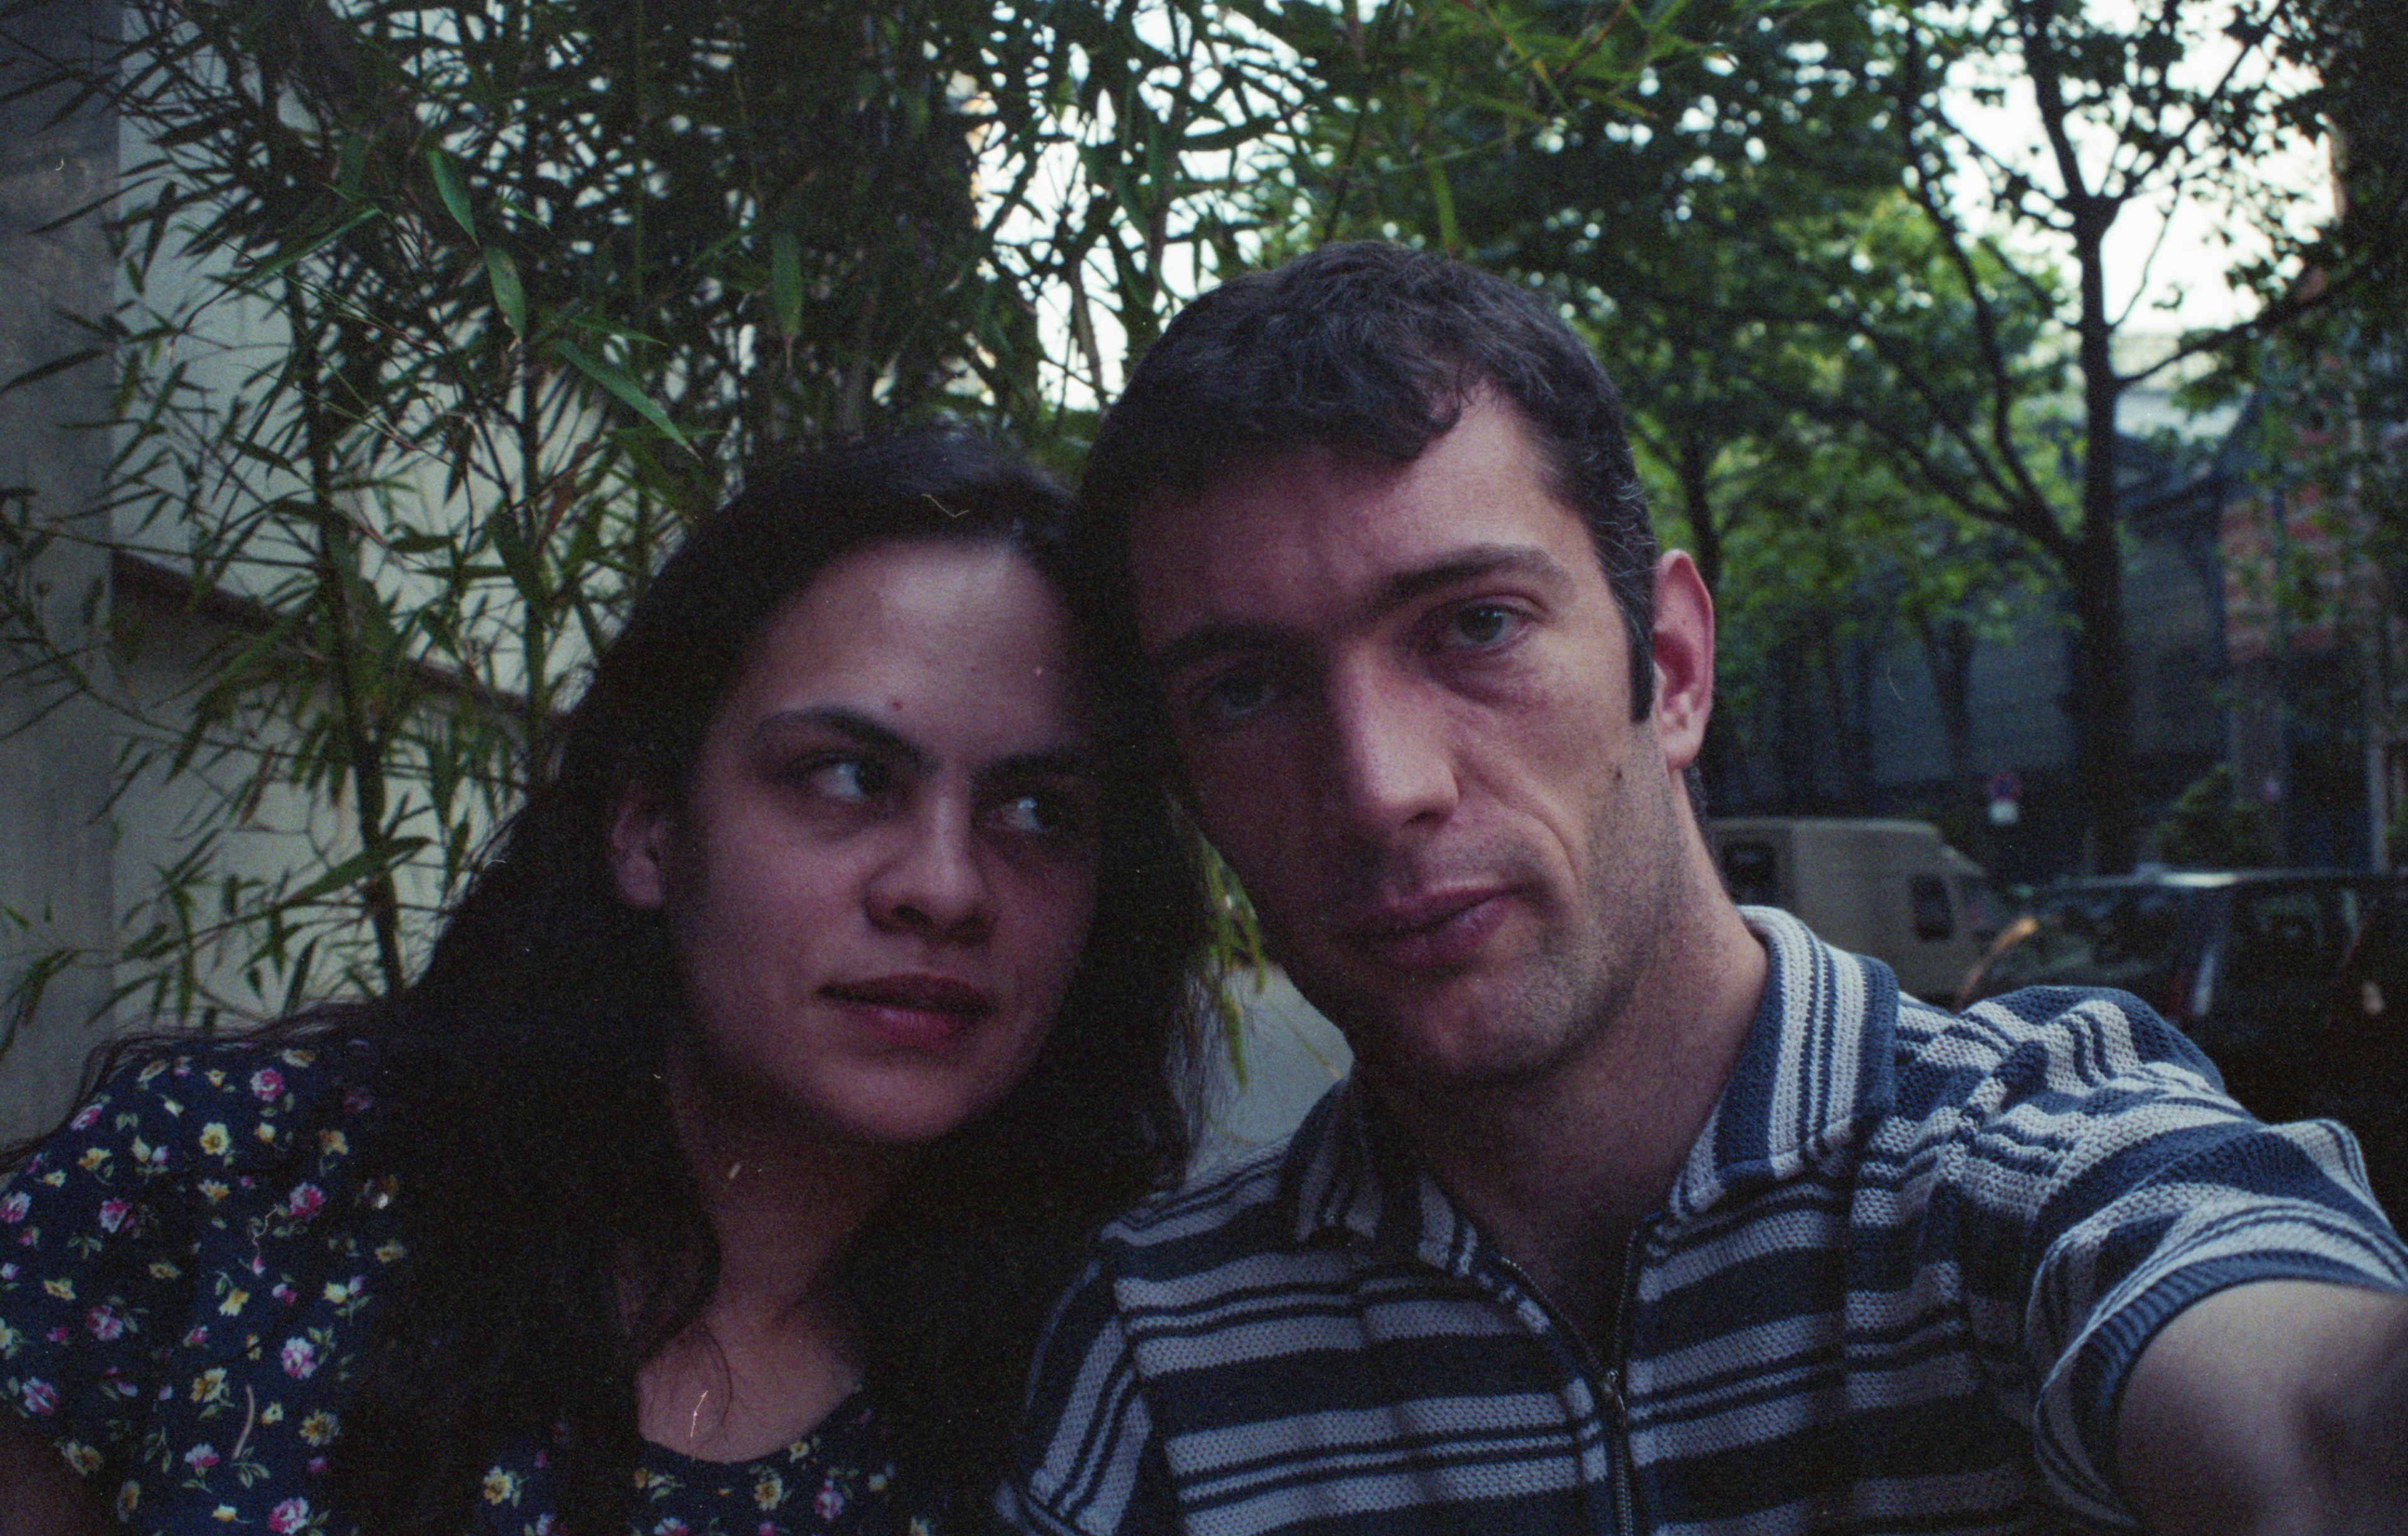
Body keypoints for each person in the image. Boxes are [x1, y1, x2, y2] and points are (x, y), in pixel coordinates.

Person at [998, 241, 2408, 1535]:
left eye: (1475, 625)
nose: (1380, 786)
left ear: (1669, 667)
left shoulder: (2014, 1169)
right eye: (1243, 691)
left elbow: (2314, 1421)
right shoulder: (1155, 1359)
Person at [0, 432, 1208, 1535]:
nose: (945, 886)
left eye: (1038, 811)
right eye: (847, 777)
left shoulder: (1117, 1386)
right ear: (648, 830)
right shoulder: (227, 1194)